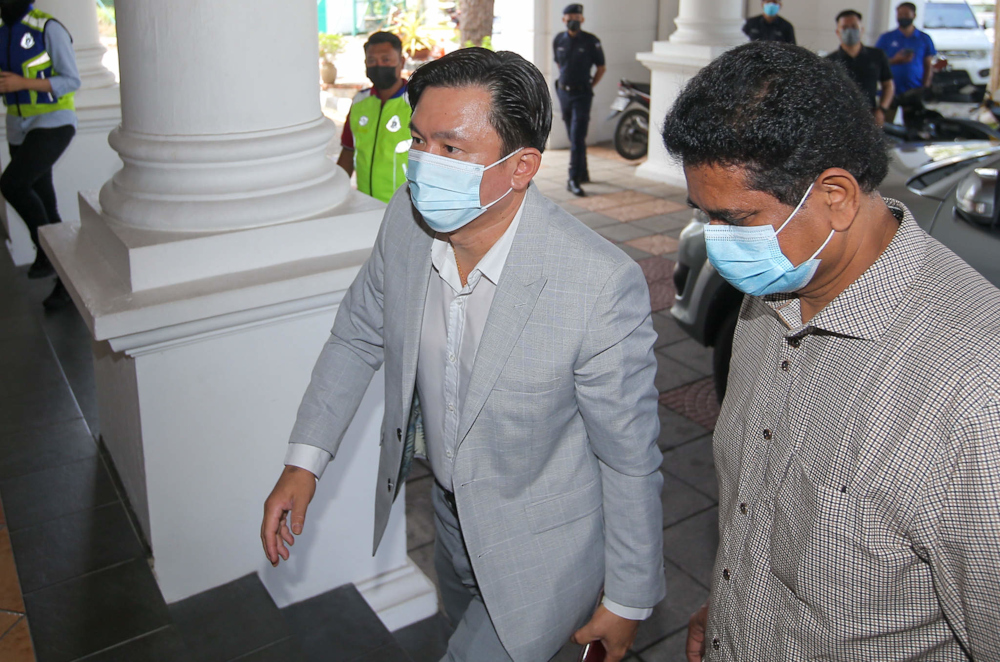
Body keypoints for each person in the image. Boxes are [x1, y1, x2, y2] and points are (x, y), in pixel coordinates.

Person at [262, 48, 665, 662]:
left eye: (451, 149)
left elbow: (629, 456)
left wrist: (629, 599)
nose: (424, 166)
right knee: (456, 625)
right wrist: (303, 462)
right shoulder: (406, 219)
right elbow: (356, 334)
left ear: (522, 166)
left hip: (541, 546)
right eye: (419, 141)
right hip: (448, 520)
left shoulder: (597, 283)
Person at [661, 40, 1000, 661]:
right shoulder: (772, 294)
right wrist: (734, 609)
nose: (718, 243)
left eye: (734, 220)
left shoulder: (975, 395)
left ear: (836, 196)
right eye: (703, 216)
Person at [0, 0, 80, 309]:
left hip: (54, 122)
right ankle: (67, 285)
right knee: (46, 204)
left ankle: (46, 254)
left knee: (12, 185)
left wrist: (23, 83)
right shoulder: (3, 32)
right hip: (18, 127)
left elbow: (72, 81)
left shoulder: (48, 27)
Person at [336, 31, 411, 204]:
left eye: (386, 60)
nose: (379, 66)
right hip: (365, 204)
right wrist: (336, 191)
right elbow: (348, 150)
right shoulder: (360, 101)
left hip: (405, 209)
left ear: (401, 62)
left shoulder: (417, 102)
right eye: (372, 61)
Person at [553, 3, 605, 197]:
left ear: (582, 19)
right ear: (563, 20)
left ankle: (572, 178)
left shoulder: (591, 41)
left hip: (582, 94)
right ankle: (583, 172)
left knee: (576, 137)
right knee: (574, 136)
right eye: (569, 17)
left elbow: (601, 68)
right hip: (564, 92)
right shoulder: (558, 39)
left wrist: (590, 86)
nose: (572, 21)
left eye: (576, 17)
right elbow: (560, 64)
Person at [826, 10, 894, 125]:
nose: (850, 31)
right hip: (840, 119)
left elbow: (888, 85)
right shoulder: (829, 61)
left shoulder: (877, 55)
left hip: (870, 116)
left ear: (861, 30)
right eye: (845, 27)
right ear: (838, 32)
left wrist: (882, 110)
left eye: (854, 26)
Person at [876, 2, 936, 124]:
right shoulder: (886, 37)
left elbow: (928, 64)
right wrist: (895, 60)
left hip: (913, 90)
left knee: (913, 125)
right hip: (890, 92)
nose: (902, 17)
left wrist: (925, 86)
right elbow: (877, 62)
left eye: (906, 14)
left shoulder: (924, 38)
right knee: (885, 126)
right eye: (899, 14)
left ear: (914, 15)